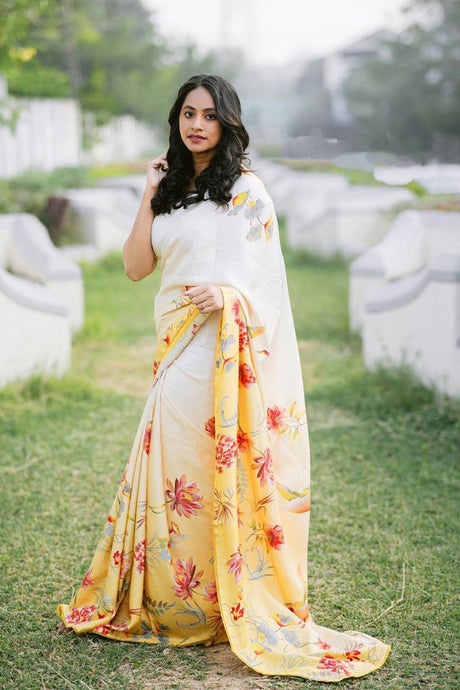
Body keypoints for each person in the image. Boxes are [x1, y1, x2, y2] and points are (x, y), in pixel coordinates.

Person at [56, 74, 391, 682]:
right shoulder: (168, 188)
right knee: (175, 477)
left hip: (222, 348)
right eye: (188, 113)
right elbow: (135, 267)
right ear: (176, 120)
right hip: (176, 352)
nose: (197, 124)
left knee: (218, 473)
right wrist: (148, 193)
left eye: (209, 115)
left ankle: (225, 603)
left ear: (228, 122)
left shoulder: (246, 190)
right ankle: (175, 601)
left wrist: (229, 295)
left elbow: (265, 279)